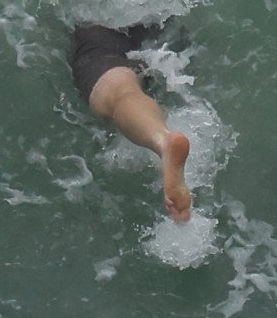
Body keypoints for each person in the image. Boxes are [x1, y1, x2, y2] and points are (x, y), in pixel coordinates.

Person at [66, 21, 193, 221]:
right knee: (130, 90)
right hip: (160, 26)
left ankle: (162, 141)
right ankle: (163, 138)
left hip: (100, 33)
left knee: (121, 92)